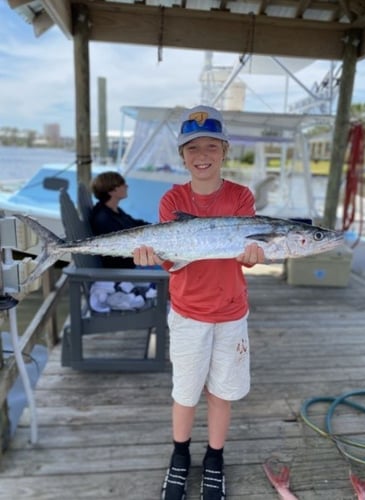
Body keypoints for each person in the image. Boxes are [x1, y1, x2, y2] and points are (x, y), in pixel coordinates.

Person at [133, 105, 265, 500]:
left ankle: (215, 458)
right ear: (182, 156)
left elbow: (246, 247)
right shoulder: (171, 199)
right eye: (193, 148)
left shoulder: (241, 196)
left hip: (230, 312)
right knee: (185, 391)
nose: (202, 154)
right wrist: (152, 255)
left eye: (211, 146)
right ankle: (179, 456)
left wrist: (252, 255)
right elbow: (173, 259)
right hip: (189, 311)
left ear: (225, 151)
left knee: (221, 392)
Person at [90, 171, 149, 269]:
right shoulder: (104, 219)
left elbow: (136, 224)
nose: (126, 186)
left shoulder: (114, 210)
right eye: (122, 184)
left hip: (133, 262)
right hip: (125, 270)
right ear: (111, 191)